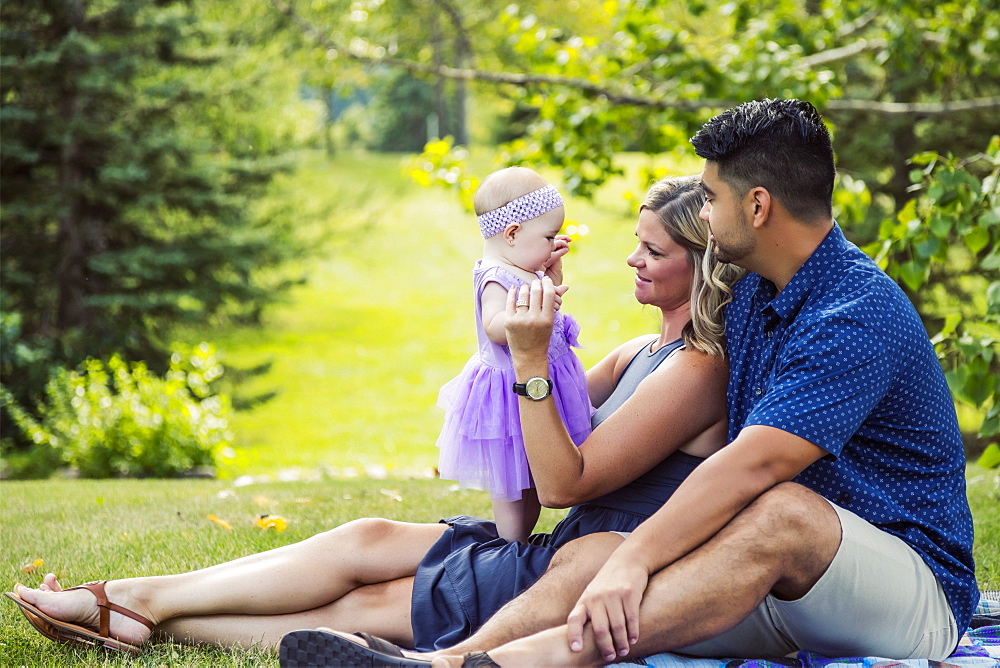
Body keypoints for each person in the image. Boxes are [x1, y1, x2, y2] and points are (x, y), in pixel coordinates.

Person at [295, 98, 977, 666]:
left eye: (710, 199)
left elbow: (756, 464)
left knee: (777, 514)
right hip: (774, 586)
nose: (704, 217)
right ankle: (451, 662)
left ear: (760, 205)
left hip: (904, 595)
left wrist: (636, 562)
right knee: (602, 554)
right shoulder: (753, 301)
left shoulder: (855, 313)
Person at [6, 175, 743, 657]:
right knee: (369, 535)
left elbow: (563, 483)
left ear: (703, 264)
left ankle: (135, 611)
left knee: (370, 602)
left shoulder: (700, 372)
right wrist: (524, 334)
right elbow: (531, 422)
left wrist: (526, 360)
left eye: (652, 250)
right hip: (553, 549)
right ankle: (137, 604)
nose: (629, 260)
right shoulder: (641, 351)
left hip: (579, 565)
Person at [436, 166, 593, 544]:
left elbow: (543, 299)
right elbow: (493, 324)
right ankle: (510, 541)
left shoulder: (524, 267)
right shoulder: (495, 275)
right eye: (548, 236)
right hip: (510, 391)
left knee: (535, 473)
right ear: (512, 234)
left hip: (541, 380)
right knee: (511, 481)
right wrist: (522, 313)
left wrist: (550, 281)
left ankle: (520, 537)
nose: (553, 243)